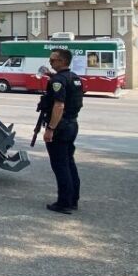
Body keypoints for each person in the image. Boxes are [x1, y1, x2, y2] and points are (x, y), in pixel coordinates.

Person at [43, 48, 83, 214]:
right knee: (69, 162)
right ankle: (73, 199)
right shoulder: (74, 78)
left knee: (60, 165)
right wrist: (53, 77)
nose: (50, 62)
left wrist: (50, 129)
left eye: (53, 60)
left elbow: (59, 105)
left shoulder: (59, 80)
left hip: (60, 127)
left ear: (63, 61)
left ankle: (63, 202)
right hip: (72, 124)